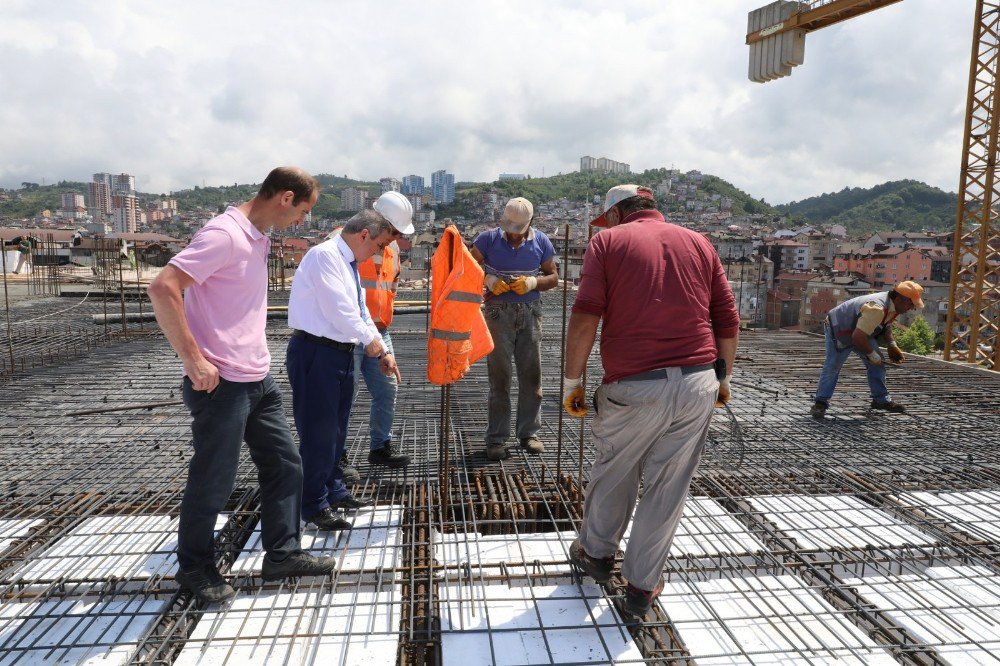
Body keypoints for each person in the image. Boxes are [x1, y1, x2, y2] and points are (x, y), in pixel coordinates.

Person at [147, 166, 337, 604]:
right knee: (214, 480)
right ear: (285, 198)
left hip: (256, 377)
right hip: (221, 384)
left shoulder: (258, 237)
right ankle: (194, 567)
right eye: (303, 211)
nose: (302, 222)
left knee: (286, 465)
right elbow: (164, 287)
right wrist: (194, 360)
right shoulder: (225, 235)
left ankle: (282, 553)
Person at [562, 185, 739, 618]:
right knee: (667, 488)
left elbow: (586, 315)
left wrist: (572, 382)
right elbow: (727, 318)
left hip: (634, 385)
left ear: (618, 213)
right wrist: (724, 378)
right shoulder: (699, 241)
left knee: (616, 470)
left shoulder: (606, 241)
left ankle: (597, 555)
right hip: (698, 381)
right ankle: (641, 586)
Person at [286, 209, 400, 531]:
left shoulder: (348, 262)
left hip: (338, 353)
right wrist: (374, 345)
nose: (378, 252)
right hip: (315, 352)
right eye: (377, 244)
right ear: (364, 235)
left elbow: (362, 311)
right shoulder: (324, 257)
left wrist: (382, 348)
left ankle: (334, 491)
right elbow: (341, 313)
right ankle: (313, 504)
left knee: (337, 429)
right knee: (318, 433)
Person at [326, 192, 414, 478]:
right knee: (344, 396)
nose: (396, 237)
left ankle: (380, 446)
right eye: (394, 230)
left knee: (388, 388)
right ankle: (337, 456)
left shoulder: (392, 249)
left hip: (379, 329)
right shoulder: (341, 241)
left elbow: (392, 285)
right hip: (347, 334)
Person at [471, 197, 558, 461]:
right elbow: (467, 265)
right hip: (498, 314)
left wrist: (532, 283)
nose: (513, 234)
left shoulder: (541, 241)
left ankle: (528, 433)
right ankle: (497, 439)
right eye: (510, 228)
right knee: (500, 380)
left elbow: (553, 277)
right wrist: (487, 278)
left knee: (532, 378)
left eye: (517, 229)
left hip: (530, 313)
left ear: (530, 223)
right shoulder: (487, 239)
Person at [810, 281, 923, 418]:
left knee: (878, 364)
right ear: (899, 299)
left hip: (861, 331)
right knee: (833, 365)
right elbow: (857, 337)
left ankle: (880, 400)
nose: (911, 308)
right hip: (840, 328)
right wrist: (871, 355)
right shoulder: (876, 308)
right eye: (911, 304)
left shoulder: (892, 305)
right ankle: (820, 403)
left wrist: (891, 344)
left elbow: (886, 325)